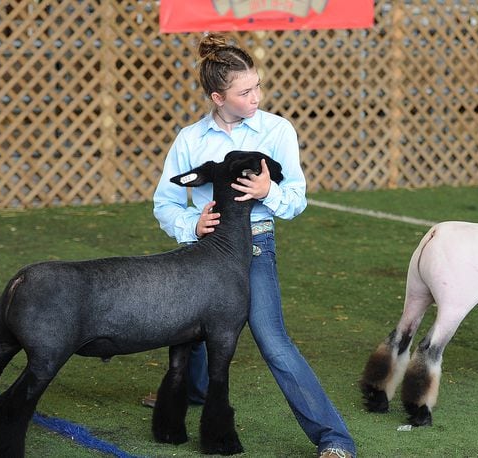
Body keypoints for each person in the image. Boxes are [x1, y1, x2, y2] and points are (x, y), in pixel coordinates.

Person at [149, 33, 356, 458]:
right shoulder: (190, 139)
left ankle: (334, 439)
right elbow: (165, 202)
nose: (257, 96)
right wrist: (193, 222)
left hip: (255, 245)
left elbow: (296, 199)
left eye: (258, 86)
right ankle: (193, 391)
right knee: (193, 328)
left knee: (272, 339)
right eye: (245, 92)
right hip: (205, 251)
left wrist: (267, 192)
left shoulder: (278, 130)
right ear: (217, 96)